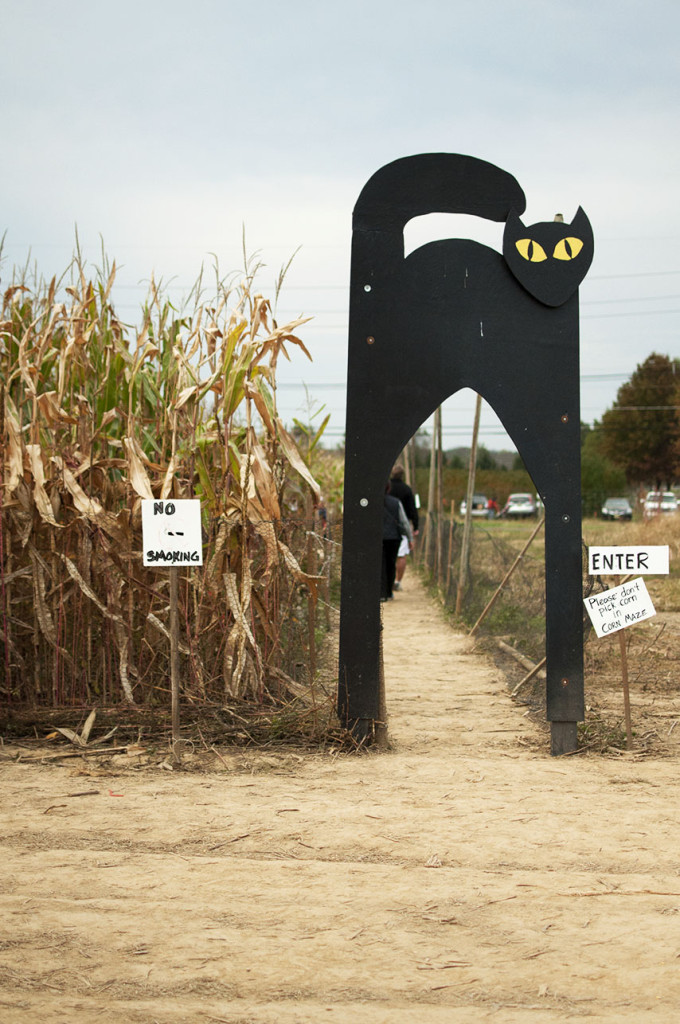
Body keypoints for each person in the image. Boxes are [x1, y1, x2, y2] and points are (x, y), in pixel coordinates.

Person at [388, 464, 418, 590]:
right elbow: (412, 509)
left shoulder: (386, 487)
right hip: (402, 527)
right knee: (401, 555)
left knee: (387, 556)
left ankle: (386, 582)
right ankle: (397, 581)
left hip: (384, 526)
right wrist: (415, 526)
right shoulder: (406, 489)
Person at [382, 486, 413, 601]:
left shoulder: (373, 501)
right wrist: (410, 538)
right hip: (393, 538)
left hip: (378, 538)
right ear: (389, 489)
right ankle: (389, 592)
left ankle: (381, 592)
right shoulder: (396, 502)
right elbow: (404, 521)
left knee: (380, 564)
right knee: (391, 564)